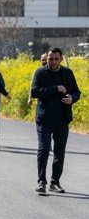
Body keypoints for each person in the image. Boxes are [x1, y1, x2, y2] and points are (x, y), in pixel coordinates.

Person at [31, 47, 81, 194]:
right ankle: (41, 182)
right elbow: (34, 92)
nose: (52, 62)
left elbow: (77, 92)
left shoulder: (67, 73)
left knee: (59, 152)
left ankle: (55, 182)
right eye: (50, 59)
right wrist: (55, 88)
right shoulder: (40, 73)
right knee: (44, 149)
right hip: (44, 119)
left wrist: (72, 98)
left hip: (62, 119)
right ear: (46, 59)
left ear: (60, 59)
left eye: (56, 59)